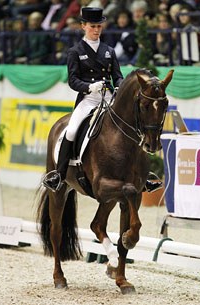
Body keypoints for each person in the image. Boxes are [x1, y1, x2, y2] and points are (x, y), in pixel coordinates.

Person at [43, 7, 162, 193]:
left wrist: (121, 88)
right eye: (92, 26)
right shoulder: (75, 52)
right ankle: (59, 174)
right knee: (72, 129)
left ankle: (144, 175)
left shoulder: (109, 51)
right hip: (89, 99)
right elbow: (73, 81)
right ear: (83, 26)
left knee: (134, 126)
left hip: (109, 97)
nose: (96, 30)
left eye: (99, 26)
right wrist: (89, 87)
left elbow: (118, 76)